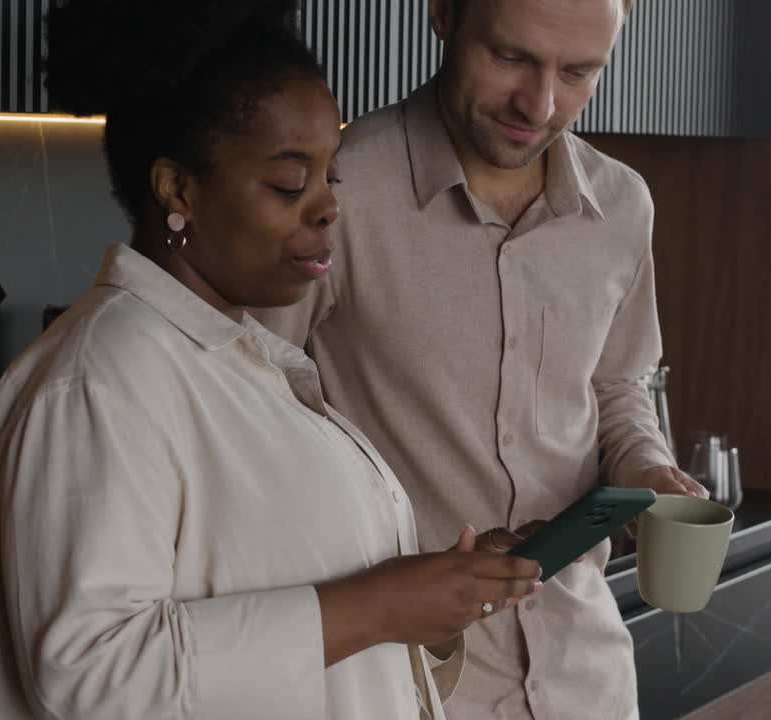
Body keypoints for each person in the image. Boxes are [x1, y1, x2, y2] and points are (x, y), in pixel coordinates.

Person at [0, 2, 543, 718]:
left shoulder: (249, 364)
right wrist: (380, 606)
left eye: (331, 177)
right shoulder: (98, 381)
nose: (326, 208)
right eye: (291, 184)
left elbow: (322, 634)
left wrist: (438, 597)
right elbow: (91, 678)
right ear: (177, 189)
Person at [255, 1, 709, 718]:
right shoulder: (337, 192)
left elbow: (617, 385)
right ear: (444, 15)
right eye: (512, 57)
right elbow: (251, 415)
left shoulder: (622, 205)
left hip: (586, 675)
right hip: (401, 685)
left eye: (580, 72)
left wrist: (646, 469)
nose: (541, 103)